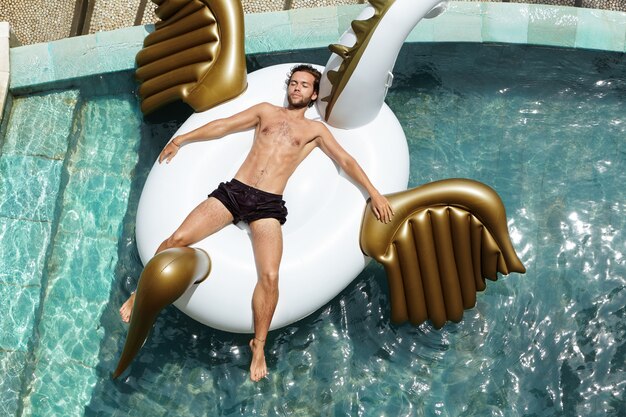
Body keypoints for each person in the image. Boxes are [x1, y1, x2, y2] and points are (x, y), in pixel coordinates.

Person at [119, 64, 394, 382]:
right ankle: (142, 293)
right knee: (177, 239)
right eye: (293, 83)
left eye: (304, 85)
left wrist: (374, 193)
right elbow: (224, 125)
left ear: (314, 94)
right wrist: (182, 139)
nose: (297, 88)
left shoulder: (314, 132)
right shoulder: (266, 112)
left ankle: (258, 345)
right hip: (234, 193)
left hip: (267, 205)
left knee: (271, 275)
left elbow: (346, 160)